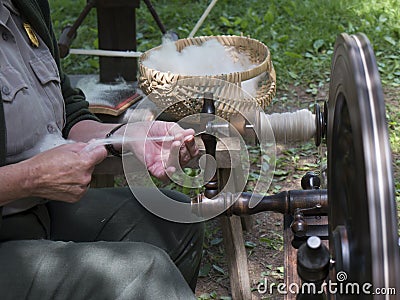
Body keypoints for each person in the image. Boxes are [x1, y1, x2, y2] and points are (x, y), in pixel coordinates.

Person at [0, 0, 204, 299]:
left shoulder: (24, 4)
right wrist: (30, 177)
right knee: (143, 272)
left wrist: (127, 136)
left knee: (173, 220)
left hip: (34, 210)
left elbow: (68, 109)